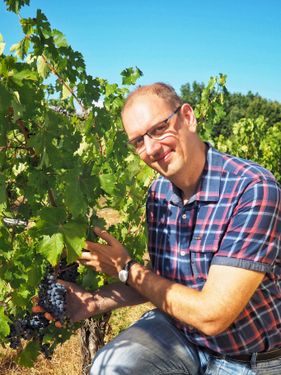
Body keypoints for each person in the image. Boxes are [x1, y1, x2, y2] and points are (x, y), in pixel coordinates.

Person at [62, 83, 281, 374]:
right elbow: (164, 282)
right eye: (138, 141)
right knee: (110, 366)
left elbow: (212, 316)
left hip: (247, 360)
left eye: (158, 129)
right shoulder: (159, 194)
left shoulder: (252, 188)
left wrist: (125, 267)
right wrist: (92, 302)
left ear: (188, 117)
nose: (151, 148)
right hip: (183, 336)